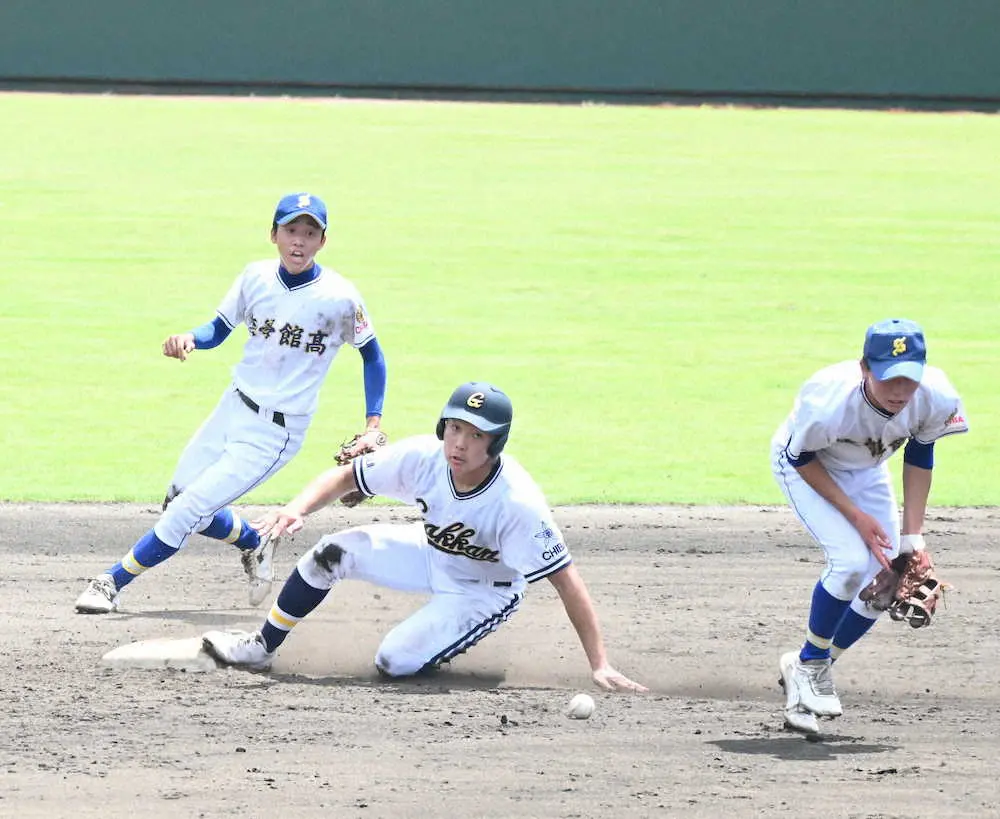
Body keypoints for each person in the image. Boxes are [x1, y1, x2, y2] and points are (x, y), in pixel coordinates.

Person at [202, 382, 647, 693]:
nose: (460, 443)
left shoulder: (518, 504)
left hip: (483, 592)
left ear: (496, 444)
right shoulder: (423, 457)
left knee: (392, 663)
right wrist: (294, 509)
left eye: (476, 435)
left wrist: (599, 663)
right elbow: (344, 478)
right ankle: (261, 647)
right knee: (331, 552)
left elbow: (567, 582)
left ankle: (438, 647)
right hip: (431, 550)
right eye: (454, 428)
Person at [75, 193, 387, 614]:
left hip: (276, 432)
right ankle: (253, 540)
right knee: (178, 499)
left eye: (310, 233)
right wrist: (190, 338)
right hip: (233, 406)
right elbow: (219, 328)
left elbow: (373, 355)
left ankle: (111, 582)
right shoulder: (255, 277)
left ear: (322, 242)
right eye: (291, 230)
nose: (299, 241)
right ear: (273, 234)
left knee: (187, 510)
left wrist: (373, 423)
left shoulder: (340, 298)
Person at [771, 318, 968, 734]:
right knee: (849, 563)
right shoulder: (829, 401)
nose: (900, 392)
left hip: (866, 470)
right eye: (888, 379)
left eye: (908, 380)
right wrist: (855, 516)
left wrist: (912, 540)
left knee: (893, 575)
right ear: (865, 368)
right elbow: (799, 458)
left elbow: (920, 455)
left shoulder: (936, 395)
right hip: (809, 467)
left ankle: (811, 669)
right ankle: (809, 665)